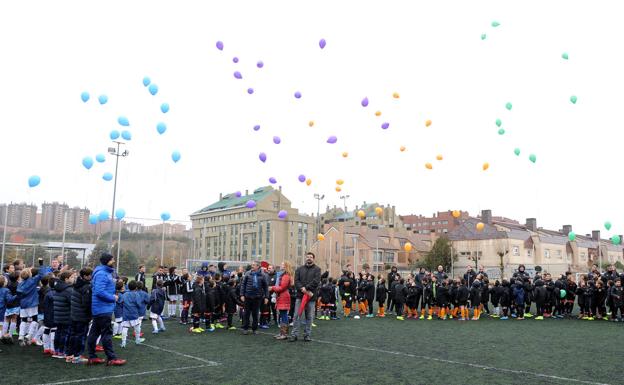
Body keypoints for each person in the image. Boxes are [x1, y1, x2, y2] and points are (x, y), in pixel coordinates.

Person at [87, 253, 126, 366]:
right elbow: (99, 291)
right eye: (112, 259)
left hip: (101, 307)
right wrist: (112, 297)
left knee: (94, 333)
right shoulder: (102, 274)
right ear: (107, 261)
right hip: (102, 308)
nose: (114, 260)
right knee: (106, 334)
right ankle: (111, 358)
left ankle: (92, 357)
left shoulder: (105, 272)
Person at [290, 252, 321, 342]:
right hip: (300, 296)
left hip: (311, 297)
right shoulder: (299, 269)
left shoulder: (317, 269)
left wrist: (306, 288)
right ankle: (294, 334)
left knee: (309, 317)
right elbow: (296, 281)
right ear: (305, 258)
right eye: (307, 257)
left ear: (313, 259)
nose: (309, 258)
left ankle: (307, 335)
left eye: (311, 257)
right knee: (296, 315)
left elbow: (316, 281)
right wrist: (301, 288)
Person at [240, 261, 269, 335]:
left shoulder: (263, 275)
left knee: (255, 314)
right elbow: (243, 285)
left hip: (257, 297)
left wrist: (266, 297)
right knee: (246, 313)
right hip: (247, 296)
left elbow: (266, 287)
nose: (252, 266)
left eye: (254, 265)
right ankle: (245, 328)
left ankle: (255, 329)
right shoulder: (247, 273)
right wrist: (242, 295)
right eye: (252, 265)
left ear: (258, 266)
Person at [16, 268, 43, 346]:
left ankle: (21, 335)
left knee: (23, 320)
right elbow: (41, 274)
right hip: (32, 303)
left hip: (23, 304)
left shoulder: (20, 284)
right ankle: (29, 335)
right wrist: (41, 264)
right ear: (29, 274)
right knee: (35, 319)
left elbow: (18, 295)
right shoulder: (33, 280)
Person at [52, 270, 74, 358]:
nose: (73, 279)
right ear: (66, 279)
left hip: (58, 315)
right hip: (66, 315)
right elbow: (72, 302)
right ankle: (62, 351)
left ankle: (56, 350)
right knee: (65, 334)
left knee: (58, 332)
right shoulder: (68, 290)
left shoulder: (57, 288)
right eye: (72, 277)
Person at [269, 261, 293, 340]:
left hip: (283, 296)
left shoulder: (285, 276)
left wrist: (272, 288)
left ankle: (284, 334)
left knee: (284, 315)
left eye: (282, 265)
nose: (281, 265)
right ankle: (282, 333)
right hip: (282, 296)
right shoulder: (283, 275)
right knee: (283, 315)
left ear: (286, 266)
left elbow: (282, 287)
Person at [120, 281, 147, 347]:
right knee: (137, 326)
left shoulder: (125, 294)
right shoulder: (136, 294)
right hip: (134, 313)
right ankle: (137, 339)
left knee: (125, 327)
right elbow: (139, 304)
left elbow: (121, 302)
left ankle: (123, 343)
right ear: (136, 288)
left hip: (126, 314)